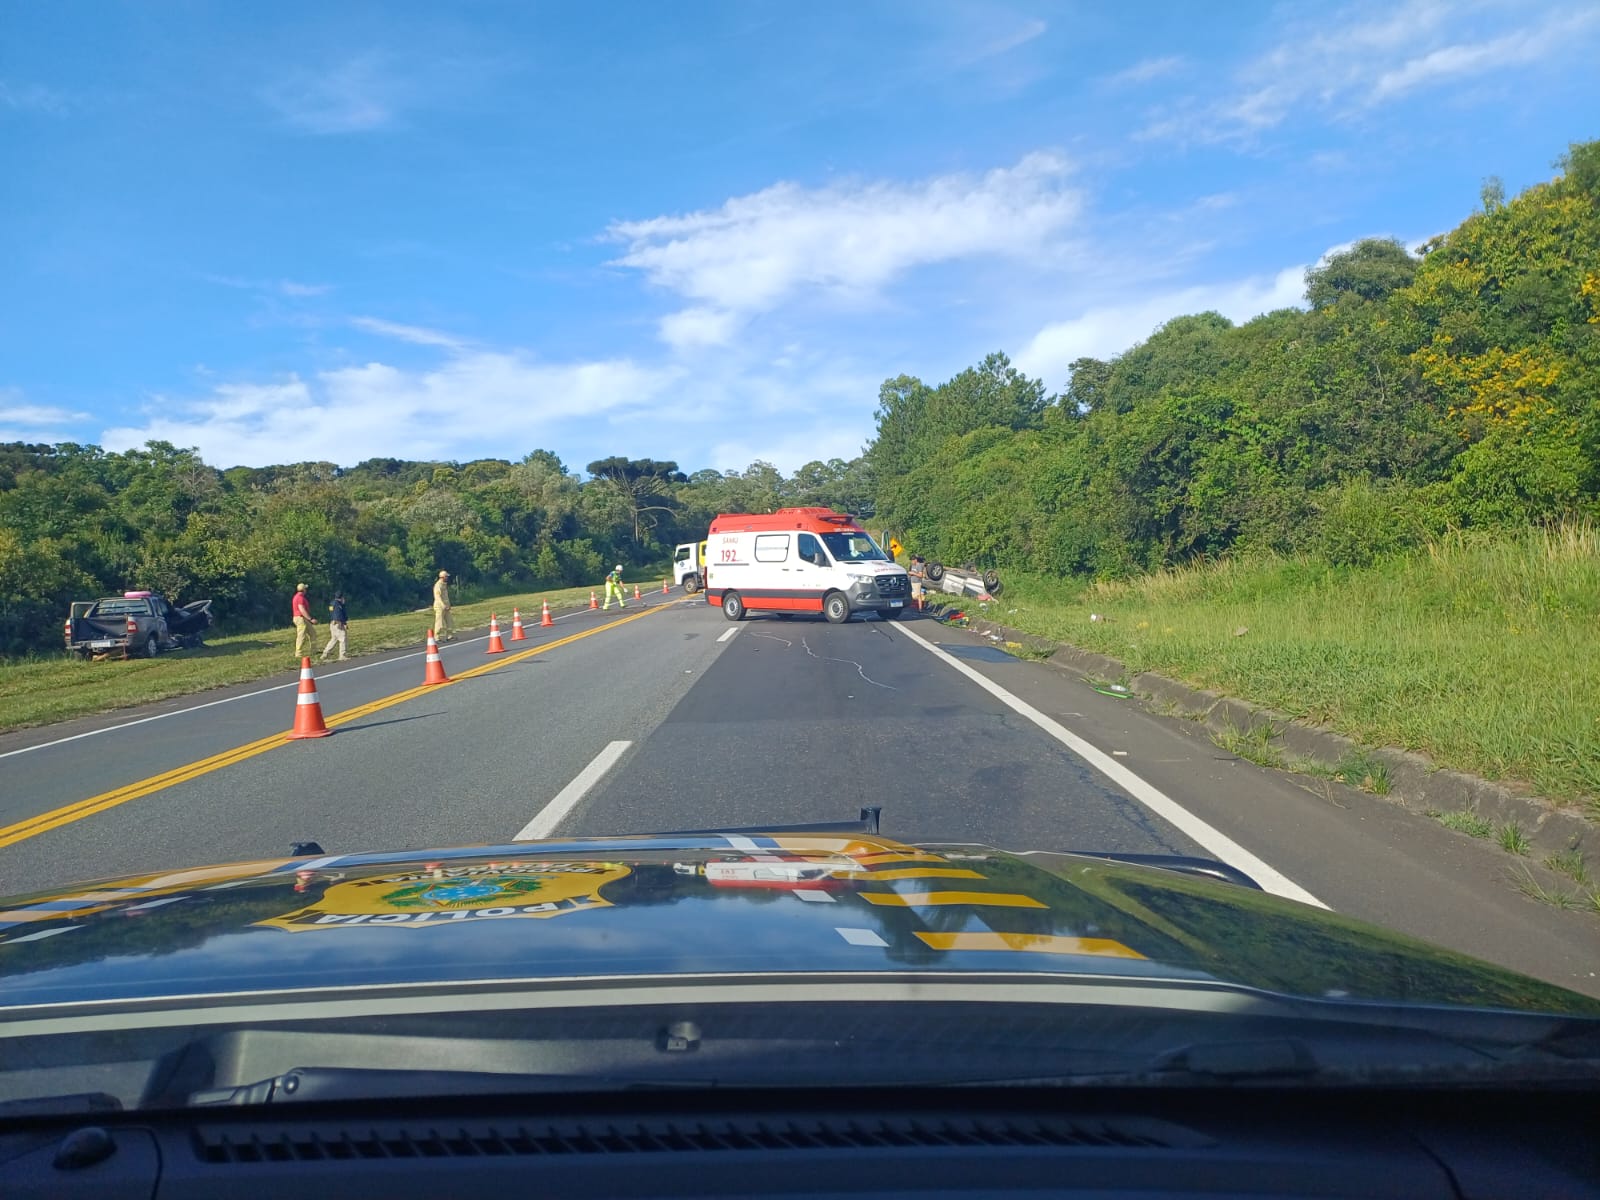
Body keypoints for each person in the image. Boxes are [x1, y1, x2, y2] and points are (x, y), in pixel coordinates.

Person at [322, 593, 349, 662]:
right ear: (341, 597)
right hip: (338, 623)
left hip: (332, 623)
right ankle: (342, 655)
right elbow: (338, 615)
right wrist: (342, 623)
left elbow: (332, 613)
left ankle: (325, 653)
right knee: (343, 638)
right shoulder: (338, 605)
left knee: (334, 639)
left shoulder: (332, 603)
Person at [291, 583, 316, 657]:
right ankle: (298, 653)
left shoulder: (298, 596)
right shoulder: (300, 598)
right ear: (303, 590)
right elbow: (301, 609)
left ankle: (314, 650)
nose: (306, 590)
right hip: (300, 618)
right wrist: (310, 619)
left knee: (312, 633)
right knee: (301, 636)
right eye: (305, 589)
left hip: (303, 618)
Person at [433, 570, 455, 640]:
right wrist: (443, 605)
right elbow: (437, 597)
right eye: (446, 576)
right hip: (440, 606)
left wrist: (448, 605)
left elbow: (445, 596)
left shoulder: (444, 584)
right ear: (442, 577)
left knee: (449, 621)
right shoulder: (438, 585)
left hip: (446, 606)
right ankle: (437, 637)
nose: (447, 578)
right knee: (439, 622)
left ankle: (450, 635)